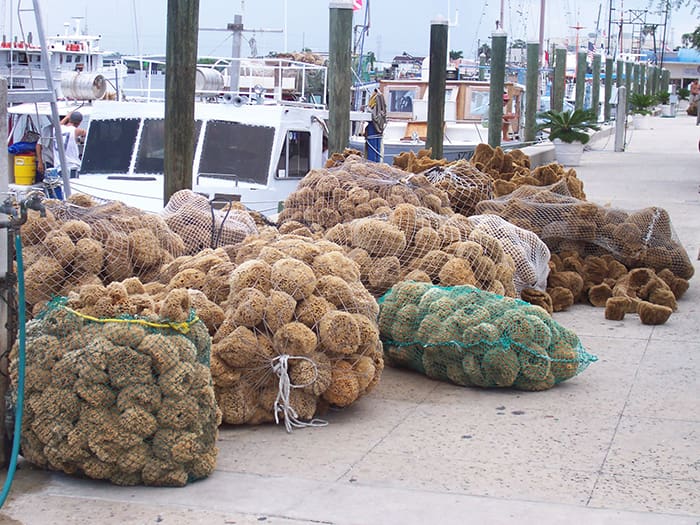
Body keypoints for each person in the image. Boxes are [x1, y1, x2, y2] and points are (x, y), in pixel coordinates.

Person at [52, 110, 86, 179]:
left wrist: (67, 117)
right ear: (79, 123)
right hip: (72, 166)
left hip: (59, 167)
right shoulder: (76, 130)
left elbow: (59, 124)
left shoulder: (56, 129)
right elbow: (87, 133)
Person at [364, 88, 387, 162]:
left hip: (373, 131)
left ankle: (373, 163)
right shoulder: (378, 97)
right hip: (375, 130)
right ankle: (375, 163)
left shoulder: (376, 98)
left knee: (373, 159)